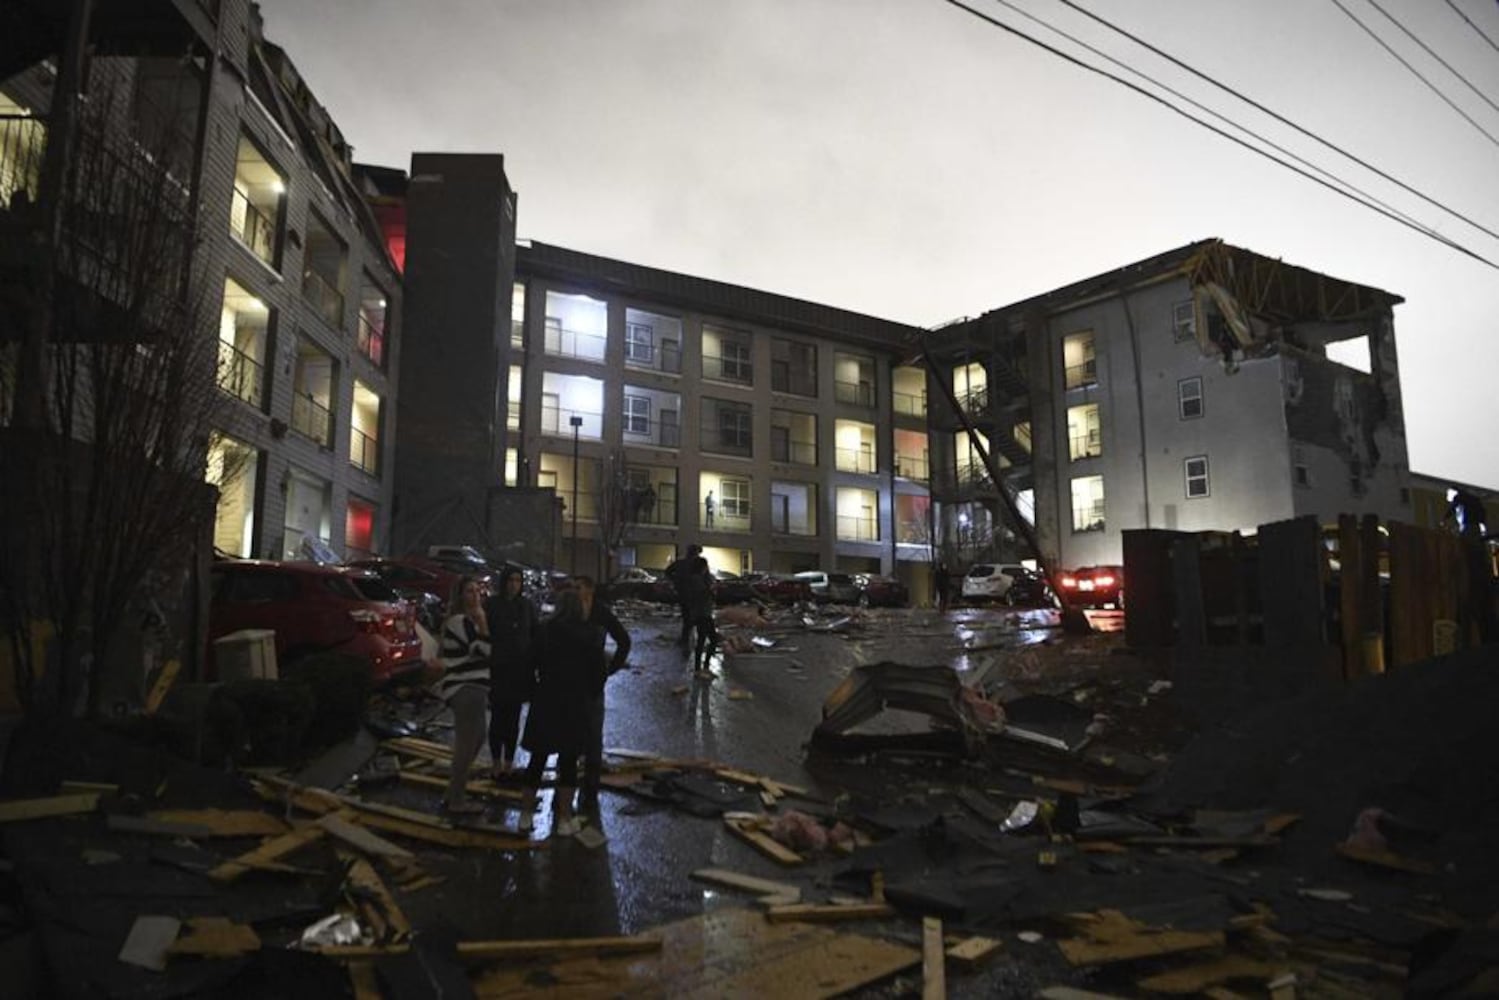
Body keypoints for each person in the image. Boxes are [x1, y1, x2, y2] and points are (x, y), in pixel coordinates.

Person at [519, 576, 631, 835]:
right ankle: (565, 818)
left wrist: (535, 690)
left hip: (546, 701)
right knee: (568, 762)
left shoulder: (544, 631)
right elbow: (597, 673)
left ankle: (525, 815)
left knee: (537, 759)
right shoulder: (589, 635)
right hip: (575, 703)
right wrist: (591, 691)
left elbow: (528, 663)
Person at [434, 576, 491, 814]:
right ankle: (457, 800)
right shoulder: (460, 621)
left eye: (478, 590)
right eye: (470, 591)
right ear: (460, 596)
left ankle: (453, 792)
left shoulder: (467, 621)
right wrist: (484, 623)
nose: (476, 595)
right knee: (467, 744)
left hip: (473, 688)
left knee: (476, 738)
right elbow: (483, 651)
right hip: (465, 688)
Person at [483, 565, 537, 780]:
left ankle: (508, 762)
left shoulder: (526, 606)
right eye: (511, 580)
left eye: (518, 580)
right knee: (497, 718)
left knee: (513, 720)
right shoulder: (493, 605)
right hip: (499, 669)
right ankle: (496, 761)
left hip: (519, 671)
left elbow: (534, 634)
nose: (514, 585)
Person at [665, 543, 703, 650]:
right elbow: (704, 577)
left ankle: (685, 638)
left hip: (683, 594)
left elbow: (668, 572)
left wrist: (676, 582)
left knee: (687, 617)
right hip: (694, 595)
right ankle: (689, 639)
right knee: (695, 617)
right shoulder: (697, 564)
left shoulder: (680, 563)